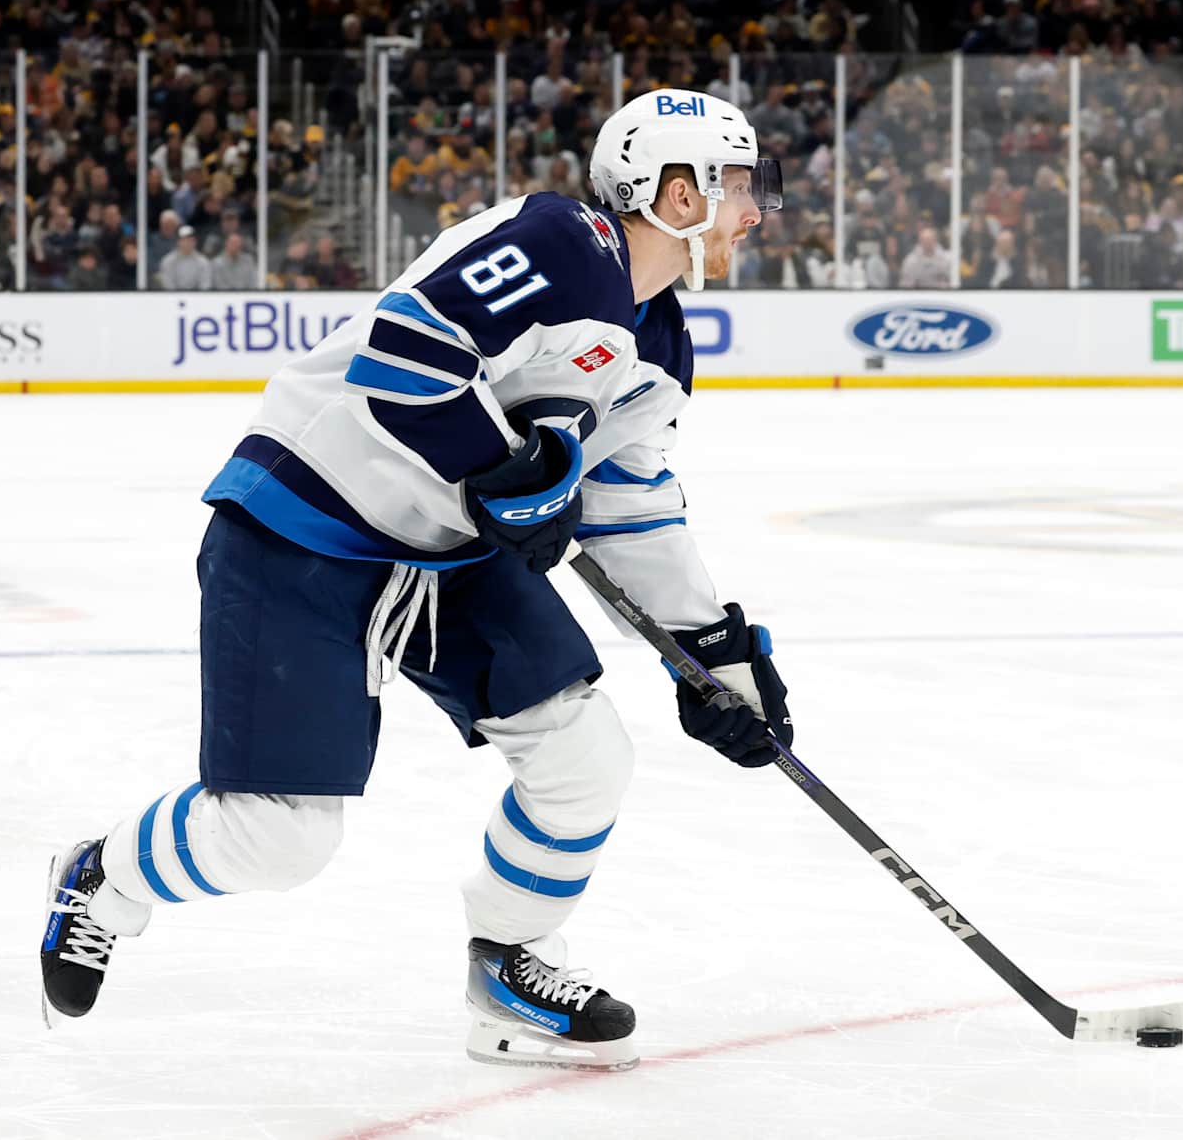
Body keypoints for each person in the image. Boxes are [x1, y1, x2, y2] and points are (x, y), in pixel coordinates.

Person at [38, 89, 790, 1072]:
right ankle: (104, 879)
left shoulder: (663, 340)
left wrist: (716, 650)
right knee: (279, 841)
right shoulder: (562, 242)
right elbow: (404, 358)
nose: (756, 211)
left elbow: (627, 496)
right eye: (739, 185)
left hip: (441, 556)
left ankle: (510, 970)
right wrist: (511, 468)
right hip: (303, 525)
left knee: (586, 756)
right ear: (675, 191)